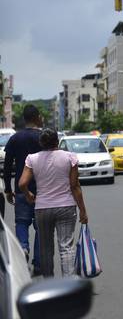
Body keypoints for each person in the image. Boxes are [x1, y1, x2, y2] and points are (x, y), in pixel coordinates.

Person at [19, 128, 88, 277]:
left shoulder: (32, 158)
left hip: (42, 208)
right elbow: (75, 186)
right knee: (66, 247)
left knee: (45, 248)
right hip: (66, 207)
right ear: (57, 141)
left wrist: (28, 194)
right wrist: (83, 210)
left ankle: (49, 284)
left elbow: (22, 183)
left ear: (41, 143)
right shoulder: (70, 157)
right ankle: (68, 285)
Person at [3, 104, 42, 274]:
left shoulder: (15, 138)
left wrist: (8, 189)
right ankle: (39, 263)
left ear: (24, 119)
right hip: (42, 190)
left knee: (21, 223)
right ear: (37, 117)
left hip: (21, 189)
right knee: (41, 227)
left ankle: (23, 249)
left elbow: (7, 166)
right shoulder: (43, 137)